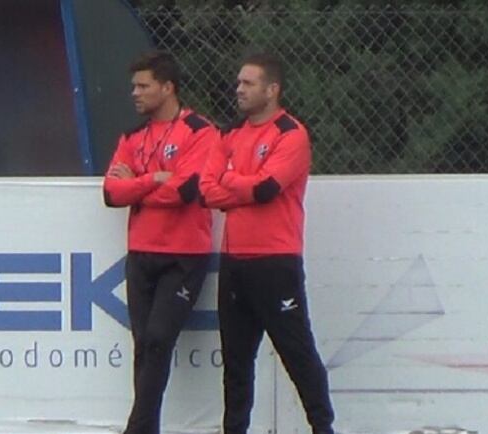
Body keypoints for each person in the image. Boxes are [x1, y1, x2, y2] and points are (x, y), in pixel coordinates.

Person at [199, 52, 335, 434]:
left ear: (272, 89)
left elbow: (266, 189)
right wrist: (239, 184)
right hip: (235, 263)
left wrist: (232, 182)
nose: (238, 89)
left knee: (297, 354)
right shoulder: (229, 135)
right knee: (236, 363)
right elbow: (206, 191)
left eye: (248, 83)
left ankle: (323, 427)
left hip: (275, 262)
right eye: (239, 82)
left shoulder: (290, 134)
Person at [103, 51, 219, 434]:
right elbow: (111, 192)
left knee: (157, 338)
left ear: (167, 88)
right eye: (133, 85)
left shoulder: (201, 131)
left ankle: (137, 428)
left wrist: (136, 184)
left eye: (143, 86)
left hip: (184, 255)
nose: (134, 93)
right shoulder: (132, 136)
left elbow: (186, 190)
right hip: (141, 253)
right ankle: (145, 427)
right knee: (144, 344)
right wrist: (152, 180)